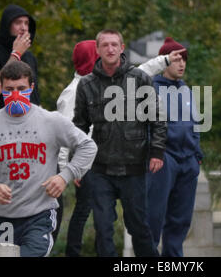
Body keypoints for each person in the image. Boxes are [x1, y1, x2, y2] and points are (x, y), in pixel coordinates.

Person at [60, 40, 185, 257]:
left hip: (116, 159)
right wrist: (67, 167)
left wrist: (164, 60)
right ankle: (74, 253)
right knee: (87, 213)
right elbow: (64, 133)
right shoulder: (74, 91)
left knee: (125, 217)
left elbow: (142, 71)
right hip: (89, 164)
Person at [0, 60, 97, 257]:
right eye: (9, 89)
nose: (16, 95)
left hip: (40, 216)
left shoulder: (50, 120)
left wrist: (65, 176)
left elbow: (88, 146)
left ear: (32, 87)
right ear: (0, 87)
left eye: (21, 88)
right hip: (3, 218)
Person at [146, 37, 203, 257]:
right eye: (177, 59)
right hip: (163, 159)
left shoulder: (186, 90)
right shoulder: (151, 89)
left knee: (181, 221)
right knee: (154, 217)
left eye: (184, 60)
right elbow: (146, 127)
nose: (182, 64)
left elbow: (195, 123)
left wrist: (197, 156)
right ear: (164, 61)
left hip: (188, 161)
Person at [0, 4, 40, 118]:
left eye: (26, 23)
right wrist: (16, 54)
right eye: (18, 23)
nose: (24, 28)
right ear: (7, 25)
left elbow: (34, 95)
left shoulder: (30, 57)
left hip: (29, 123)